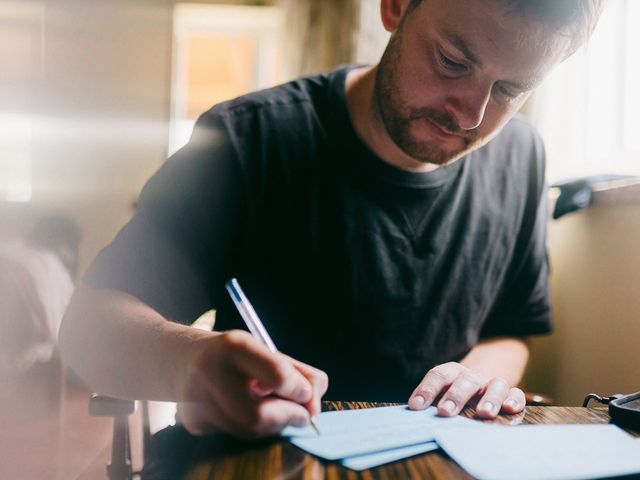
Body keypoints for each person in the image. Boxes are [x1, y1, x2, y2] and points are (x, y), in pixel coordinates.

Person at [59, 0, 604, 438]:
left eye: (511, 89)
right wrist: (189, 362)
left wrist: (481, 375)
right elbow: (87, 325)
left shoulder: (523, 154)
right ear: (394, 7)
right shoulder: (245, 141)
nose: (470, 115)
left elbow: (512, 328)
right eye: (453, 61)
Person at [0, 215, 81, 404]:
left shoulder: (10, 249)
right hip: (17, 329)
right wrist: (50, 329)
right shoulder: (51, 263)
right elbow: (66, 312)